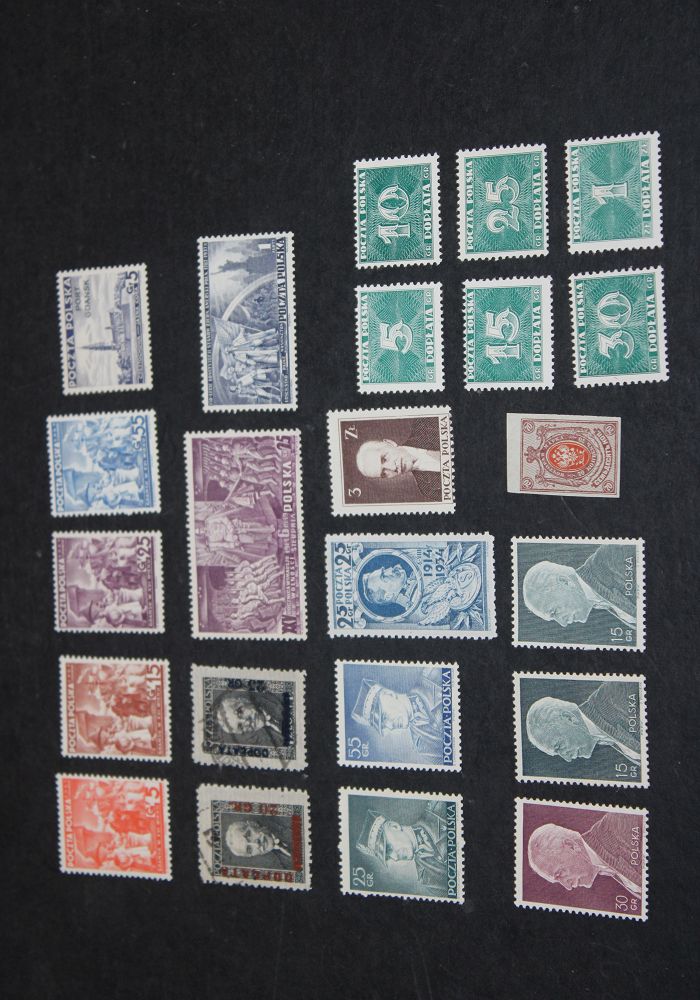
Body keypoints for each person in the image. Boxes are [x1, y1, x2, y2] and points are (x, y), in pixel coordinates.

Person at [528, 811, 643, 897]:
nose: (568, 887)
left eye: (559, 874)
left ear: (572, 846)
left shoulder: (620, 821)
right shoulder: (605, 868)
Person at [522, 543, 637, 628]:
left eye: (554, 612)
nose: (563, 623)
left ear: (565, 581)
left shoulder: (613, 553)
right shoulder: (600, 602)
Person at [525, 681, 641, 764]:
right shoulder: (604, 738)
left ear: (570, 718)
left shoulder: (616, 692)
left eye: (558, 746)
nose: (567, 759)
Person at [351, 667, 445, 764]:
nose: (390, 726)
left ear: (389, 695)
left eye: (384, 717)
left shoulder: (433, 673)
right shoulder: (423, 745)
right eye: (383, 726)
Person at [355, 801, 449, 892]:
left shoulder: (439, 806)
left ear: (394, 826)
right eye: (388, 857)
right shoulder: (427, 879)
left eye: (389, 848)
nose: (395, 858)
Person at [354, 419, 443, 501]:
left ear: (390, 443)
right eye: (384, 473)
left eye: (384, 459)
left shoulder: (426, 423)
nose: (392, 468)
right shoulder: (428, 489)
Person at [212, 688, 286, 747]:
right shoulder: (270, 741)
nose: (246, 721)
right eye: (240, 726)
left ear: (244, 700)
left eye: (240, 712)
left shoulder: (278, 696)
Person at [224, 816, 293, 869]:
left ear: (253, 824)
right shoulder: (284, 864)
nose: (257, 844)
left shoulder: (287, 820)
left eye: (249, 834)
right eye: (249, 849)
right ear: (252, 855)